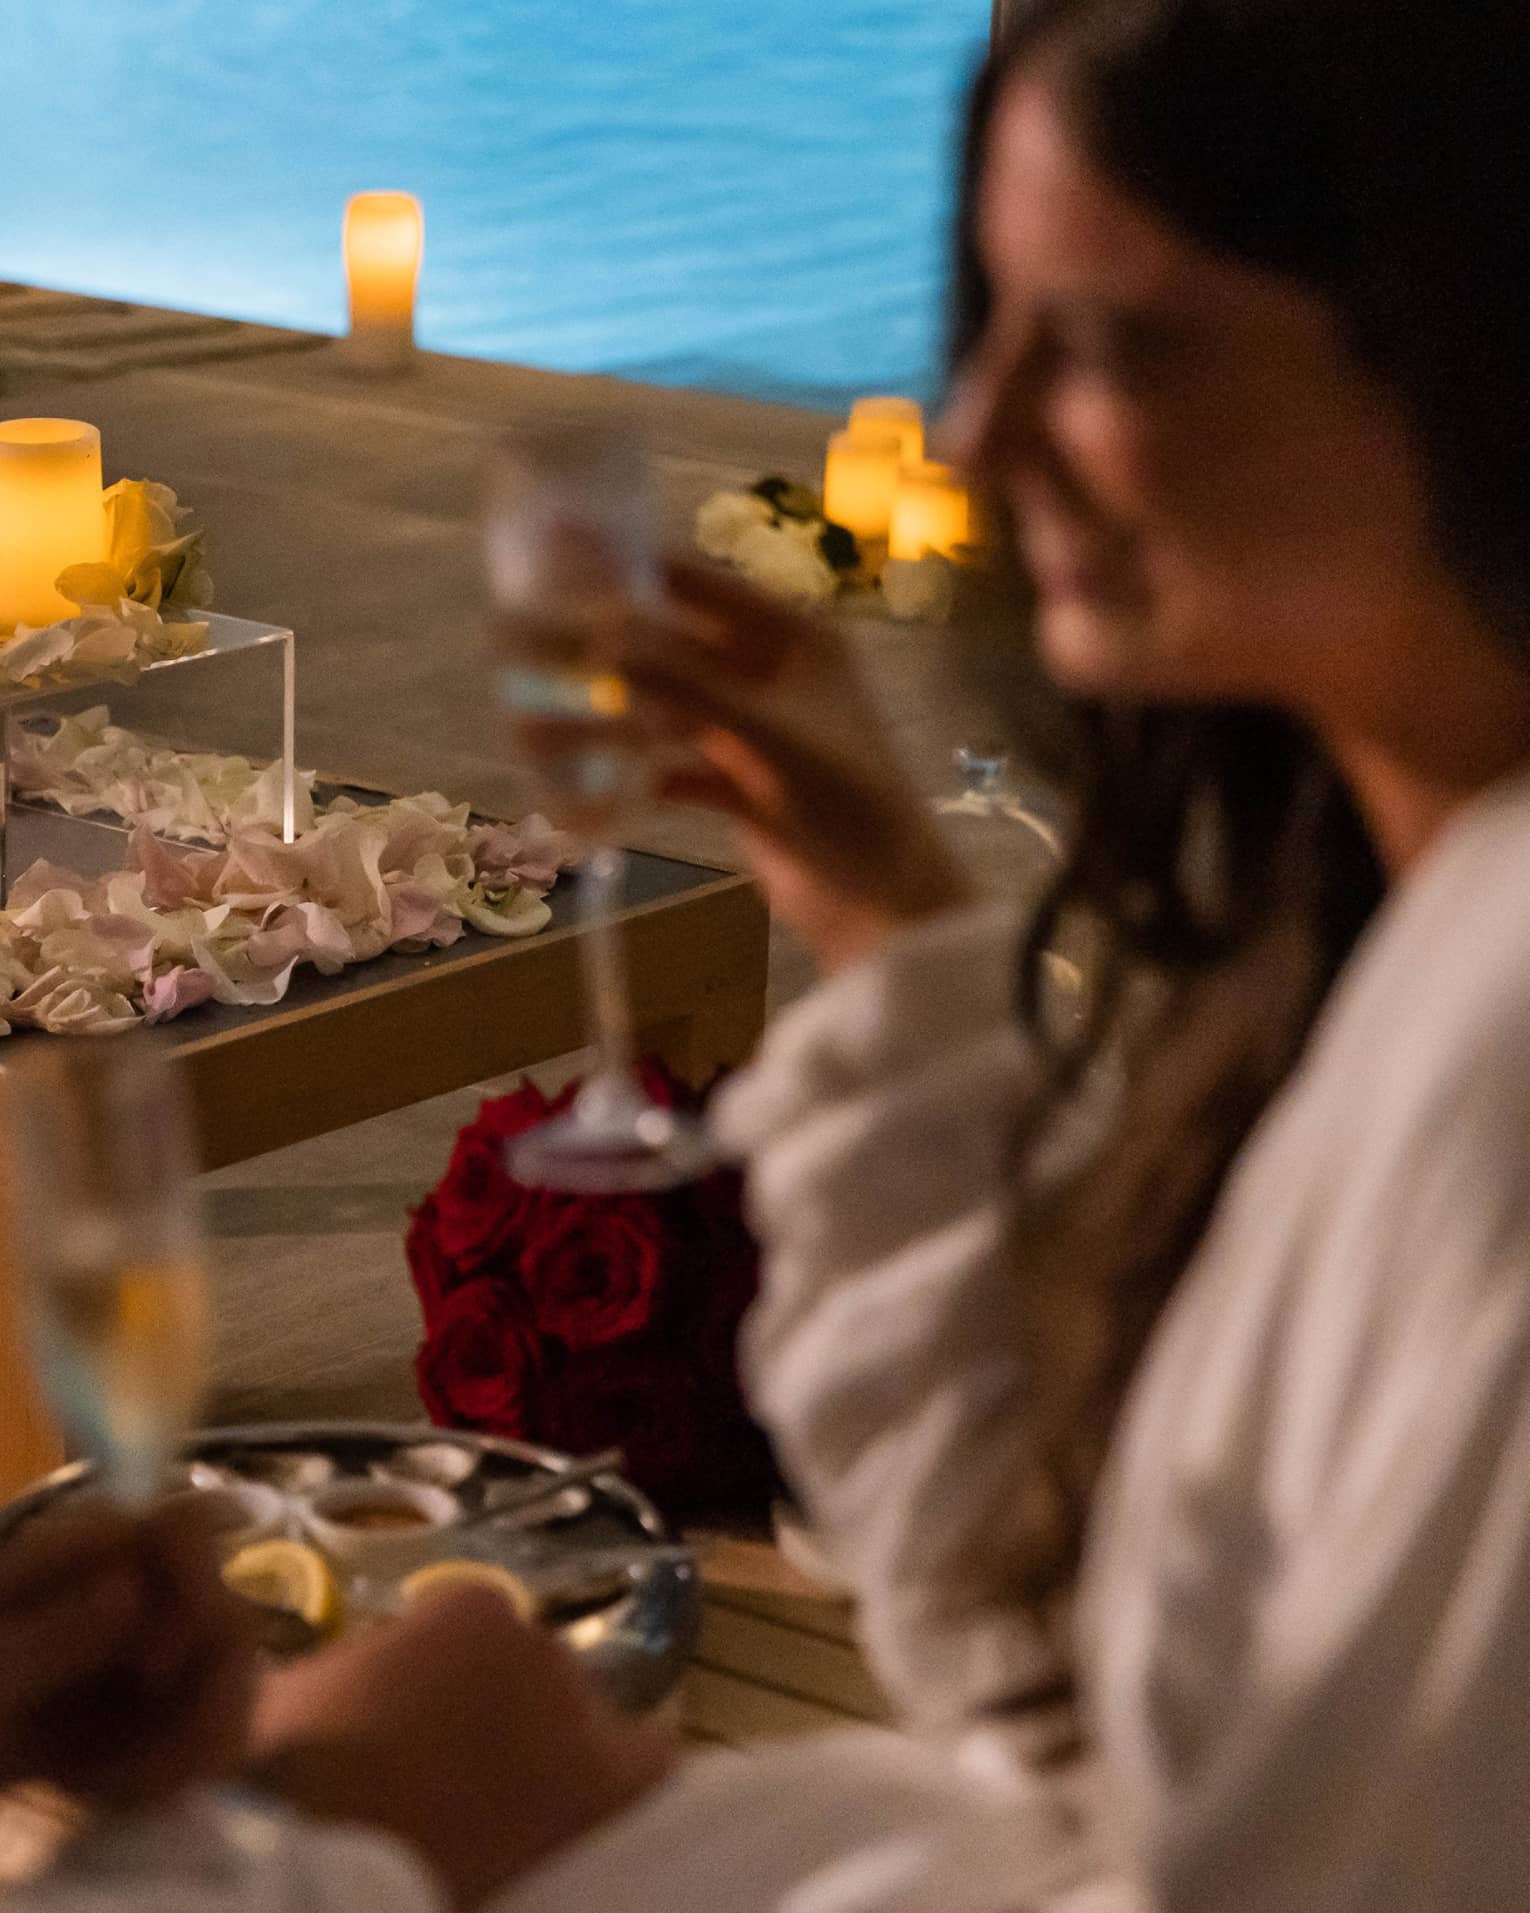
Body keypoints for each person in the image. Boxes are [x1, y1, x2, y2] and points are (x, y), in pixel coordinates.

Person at [17, 0, 1530, 1903]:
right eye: (992, 324)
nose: (972, 437)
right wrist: (878, 912)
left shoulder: (1495, 1047)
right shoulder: (1393, 932)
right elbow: (1127, 1685)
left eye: (1118, 345)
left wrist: (419, 1839)